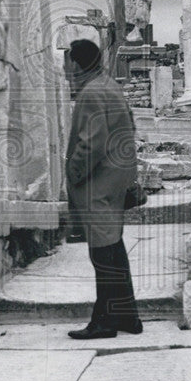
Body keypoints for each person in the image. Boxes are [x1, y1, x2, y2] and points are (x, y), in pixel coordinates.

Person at [64, 39, 143, 339]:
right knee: (113, 250)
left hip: (98, 185)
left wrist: (73, 172)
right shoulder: (109, 86)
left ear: (78, 63)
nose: (68, 68)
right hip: (114, 181)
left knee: (102, 256)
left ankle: (105, 322)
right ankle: (127, 317)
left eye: (70, 61)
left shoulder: (92, 92)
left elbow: (92, 142)